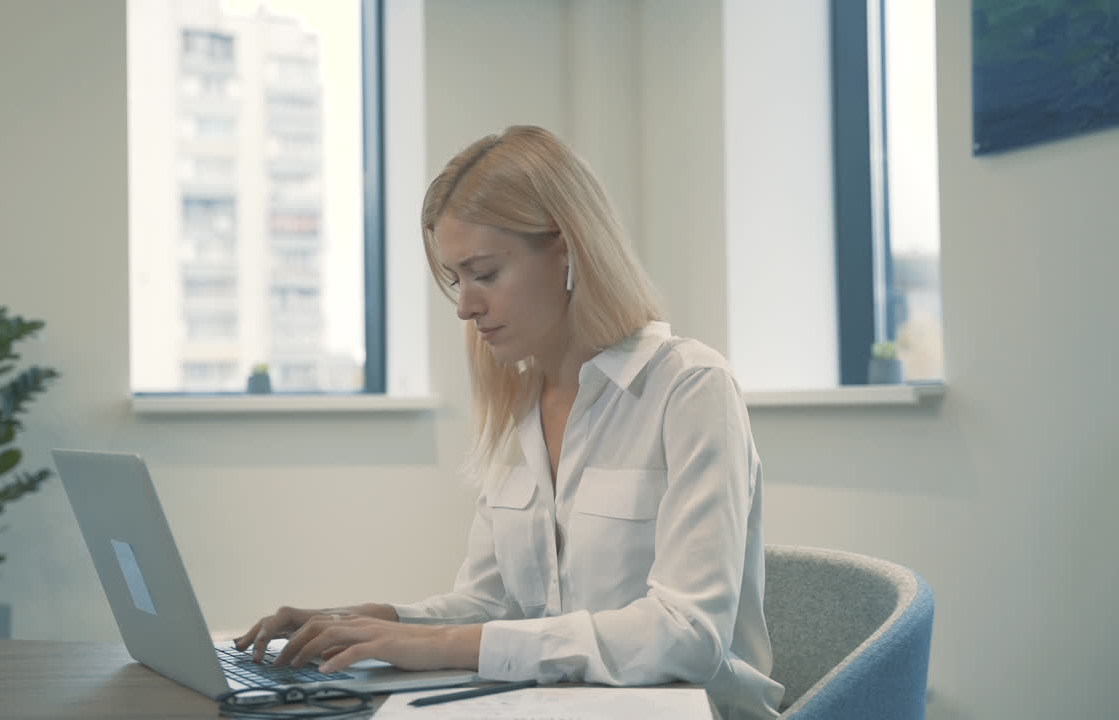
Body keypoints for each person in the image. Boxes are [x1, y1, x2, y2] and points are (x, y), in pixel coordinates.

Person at [234, 126, 783, 720]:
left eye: (485, 274)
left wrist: (438, 645)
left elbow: (688, 635)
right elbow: (494, 607)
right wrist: (375, 624)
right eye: (457, 279)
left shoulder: (690, 387)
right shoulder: (518, 406)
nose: (465, 306)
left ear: (567, 249)